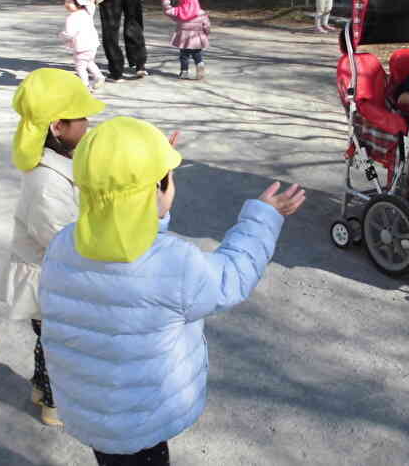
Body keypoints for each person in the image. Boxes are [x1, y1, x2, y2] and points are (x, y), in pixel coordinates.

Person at [38, 116, 305, 465]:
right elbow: (232, 276)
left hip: (89, 408)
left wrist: (143, 170)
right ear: (157, 190)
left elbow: (124, 225)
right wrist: (263, 218)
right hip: (143, 417)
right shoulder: (172, 264)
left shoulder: (63, 244)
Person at [0, 68, 106, 425]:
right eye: (82, 118)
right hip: (53, 280)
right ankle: (55, 403)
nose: (88, 123)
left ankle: (42, 388)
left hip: (58, 276)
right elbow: (62, 241)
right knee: (64, 346)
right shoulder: (46, 182)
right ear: (58, 127)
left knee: (52, 341)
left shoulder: (63, 159)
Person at [60, 0, 105, 92]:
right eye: (66, 1)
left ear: (79, 2)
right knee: (89, 61)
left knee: (80, 66)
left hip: (81, 47)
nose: (67, 4)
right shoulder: (87, 12)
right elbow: (91, 5)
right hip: (92, 45)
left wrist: (62, 35)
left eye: (70, 2)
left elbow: (70, 33)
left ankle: (85, 85)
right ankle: (99, 76)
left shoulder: (71, 18)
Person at [162, 0, 210, 80]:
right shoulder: (201, 12)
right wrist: (206, 33)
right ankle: (200, 66)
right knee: (197, 54)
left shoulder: (179, 11)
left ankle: (184, 72)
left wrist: (165, 0)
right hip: (196, 38)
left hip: (184, 39)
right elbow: (206, 25)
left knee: (184, 56)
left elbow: (168, 11)